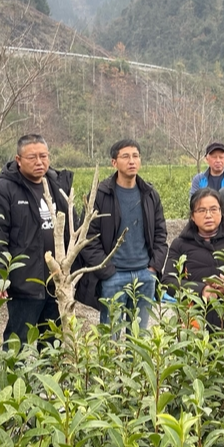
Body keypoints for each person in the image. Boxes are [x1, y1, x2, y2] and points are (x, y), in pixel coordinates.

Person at [0, 134, 74, 346]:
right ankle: (13, 379)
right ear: (18, 159)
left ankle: (50, 378)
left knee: (53, 342)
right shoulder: (3, 190)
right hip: (24, 282)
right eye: (32, 157)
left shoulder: (57, 185)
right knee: (18, 341)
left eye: (43, 156)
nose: (39, 161)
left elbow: (70, 227)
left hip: (56, 280)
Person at [78, 139, 168, 329]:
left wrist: (153, 268)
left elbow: (160, 233)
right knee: (111, 337)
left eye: (135, 156)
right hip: (113, 276)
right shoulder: (101, 195)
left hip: (145, 275)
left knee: (138, 337)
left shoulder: (150, 194)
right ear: (114, 162)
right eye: (125, 156)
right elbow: (88, 237)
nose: (132, 161)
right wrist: (107, 270)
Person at [163, 189, 224, 327]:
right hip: (195, 322)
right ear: (192, 216)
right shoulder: (181, 244)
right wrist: (201, 290)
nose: (208, 215)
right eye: (201, 210)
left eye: (213, 209)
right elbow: (168, 281)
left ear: (221, 211)